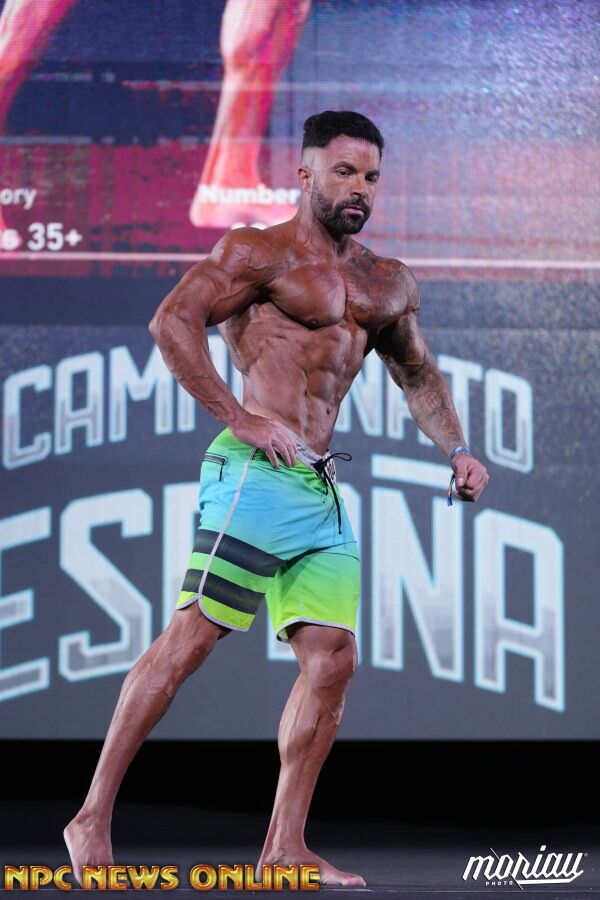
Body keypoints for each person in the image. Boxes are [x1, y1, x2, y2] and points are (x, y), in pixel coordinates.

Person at [63, 109, 489, 887]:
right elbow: (172, 320)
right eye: (344, 171)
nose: (360, 189)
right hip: (254, 474)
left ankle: (283, 847)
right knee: (192, 639)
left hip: (318, 486)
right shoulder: (258, 252)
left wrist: (456, 448)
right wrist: (239, 416)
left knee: (332, 660)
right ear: (305, 173)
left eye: (371, 177)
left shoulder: (386, 280)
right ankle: (90, 817)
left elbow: (416, 373)